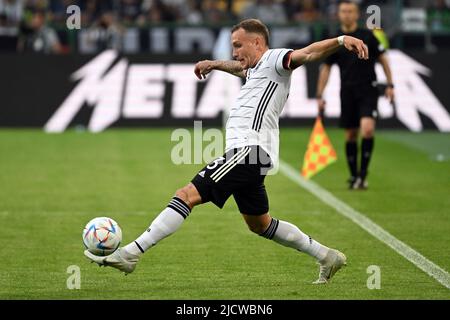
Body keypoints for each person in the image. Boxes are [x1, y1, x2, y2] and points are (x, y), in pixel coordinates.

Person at [84, 18, 369, 284]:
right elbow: (239, 69)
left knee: (186, 195)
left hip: (249, 150)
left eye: (238, 45)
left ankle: (132, 253)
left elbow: (307, 54)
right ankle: (327, 256)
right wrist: (213, 63)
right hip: (254, 155)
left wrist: (342, 39)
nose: (235, 52)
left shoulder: (275, 59)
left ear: (258, 43)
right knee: (260, 224)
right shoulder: (256, 68)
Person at [316, 0, 395, 190]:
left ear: (357, 14)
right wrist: (320, 95)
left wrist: (390, 84)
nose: (347, 14)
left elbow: (383, 59)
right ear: (339, 14)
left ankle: (362, 175)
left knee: (367, 129)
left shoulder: (368, 35)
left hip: (368, 89)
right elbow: (326, 68)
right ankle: (353, 176)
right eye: (343, 11)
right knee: (351, 134)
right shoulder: (336, 40)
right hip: (347, 91)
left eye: (350, 11)